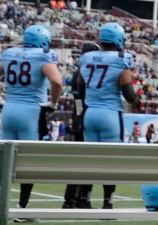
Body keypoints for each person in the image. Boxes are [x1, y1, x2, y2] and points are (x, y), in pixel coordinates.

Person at [0, 24, 62, 219]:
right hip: (32, 112)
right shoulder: (44, 55)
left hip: (9, 110)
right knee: (28, 162)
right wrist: (53, 103)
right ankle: (22, 209)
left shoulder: (10, 54)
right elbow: (57, 82)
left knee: (3, 161)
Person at [79, 22, 140, 210]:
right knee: (110, 161)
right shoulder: (121, 59)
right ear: (119, 40)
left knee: (90, 161)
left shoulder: (87, 57)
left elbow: (81, 85)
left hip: (90, 113)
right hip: (110, 113)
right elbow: (128, 93)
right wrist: (137, 102)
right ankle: (107, 203)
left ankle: (85, 200)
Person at [63, 41, 99, 209]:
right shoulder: (87, 72)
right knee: (88, 162)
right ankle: (81, 199)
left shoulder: (79, 72)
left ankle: (71, 199)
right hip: (87, 118)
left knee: (78, 161)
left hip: (79, 117)